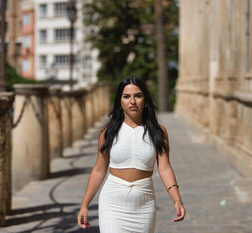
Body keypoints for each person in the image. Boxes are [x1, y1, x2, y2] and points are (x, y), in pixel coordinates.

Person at [77, 76, 186, 232]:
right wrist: (85, 205)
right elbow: (99, 169)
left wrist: (177, 199)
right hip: (112, 204)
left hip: (144, 204)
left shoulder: (158, 132)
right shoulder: (108, 132)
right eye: (126, 96)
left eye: (138, 96)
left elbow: (165, 168)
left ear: (146, 100)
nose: (132, 101)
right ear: (120, 102)